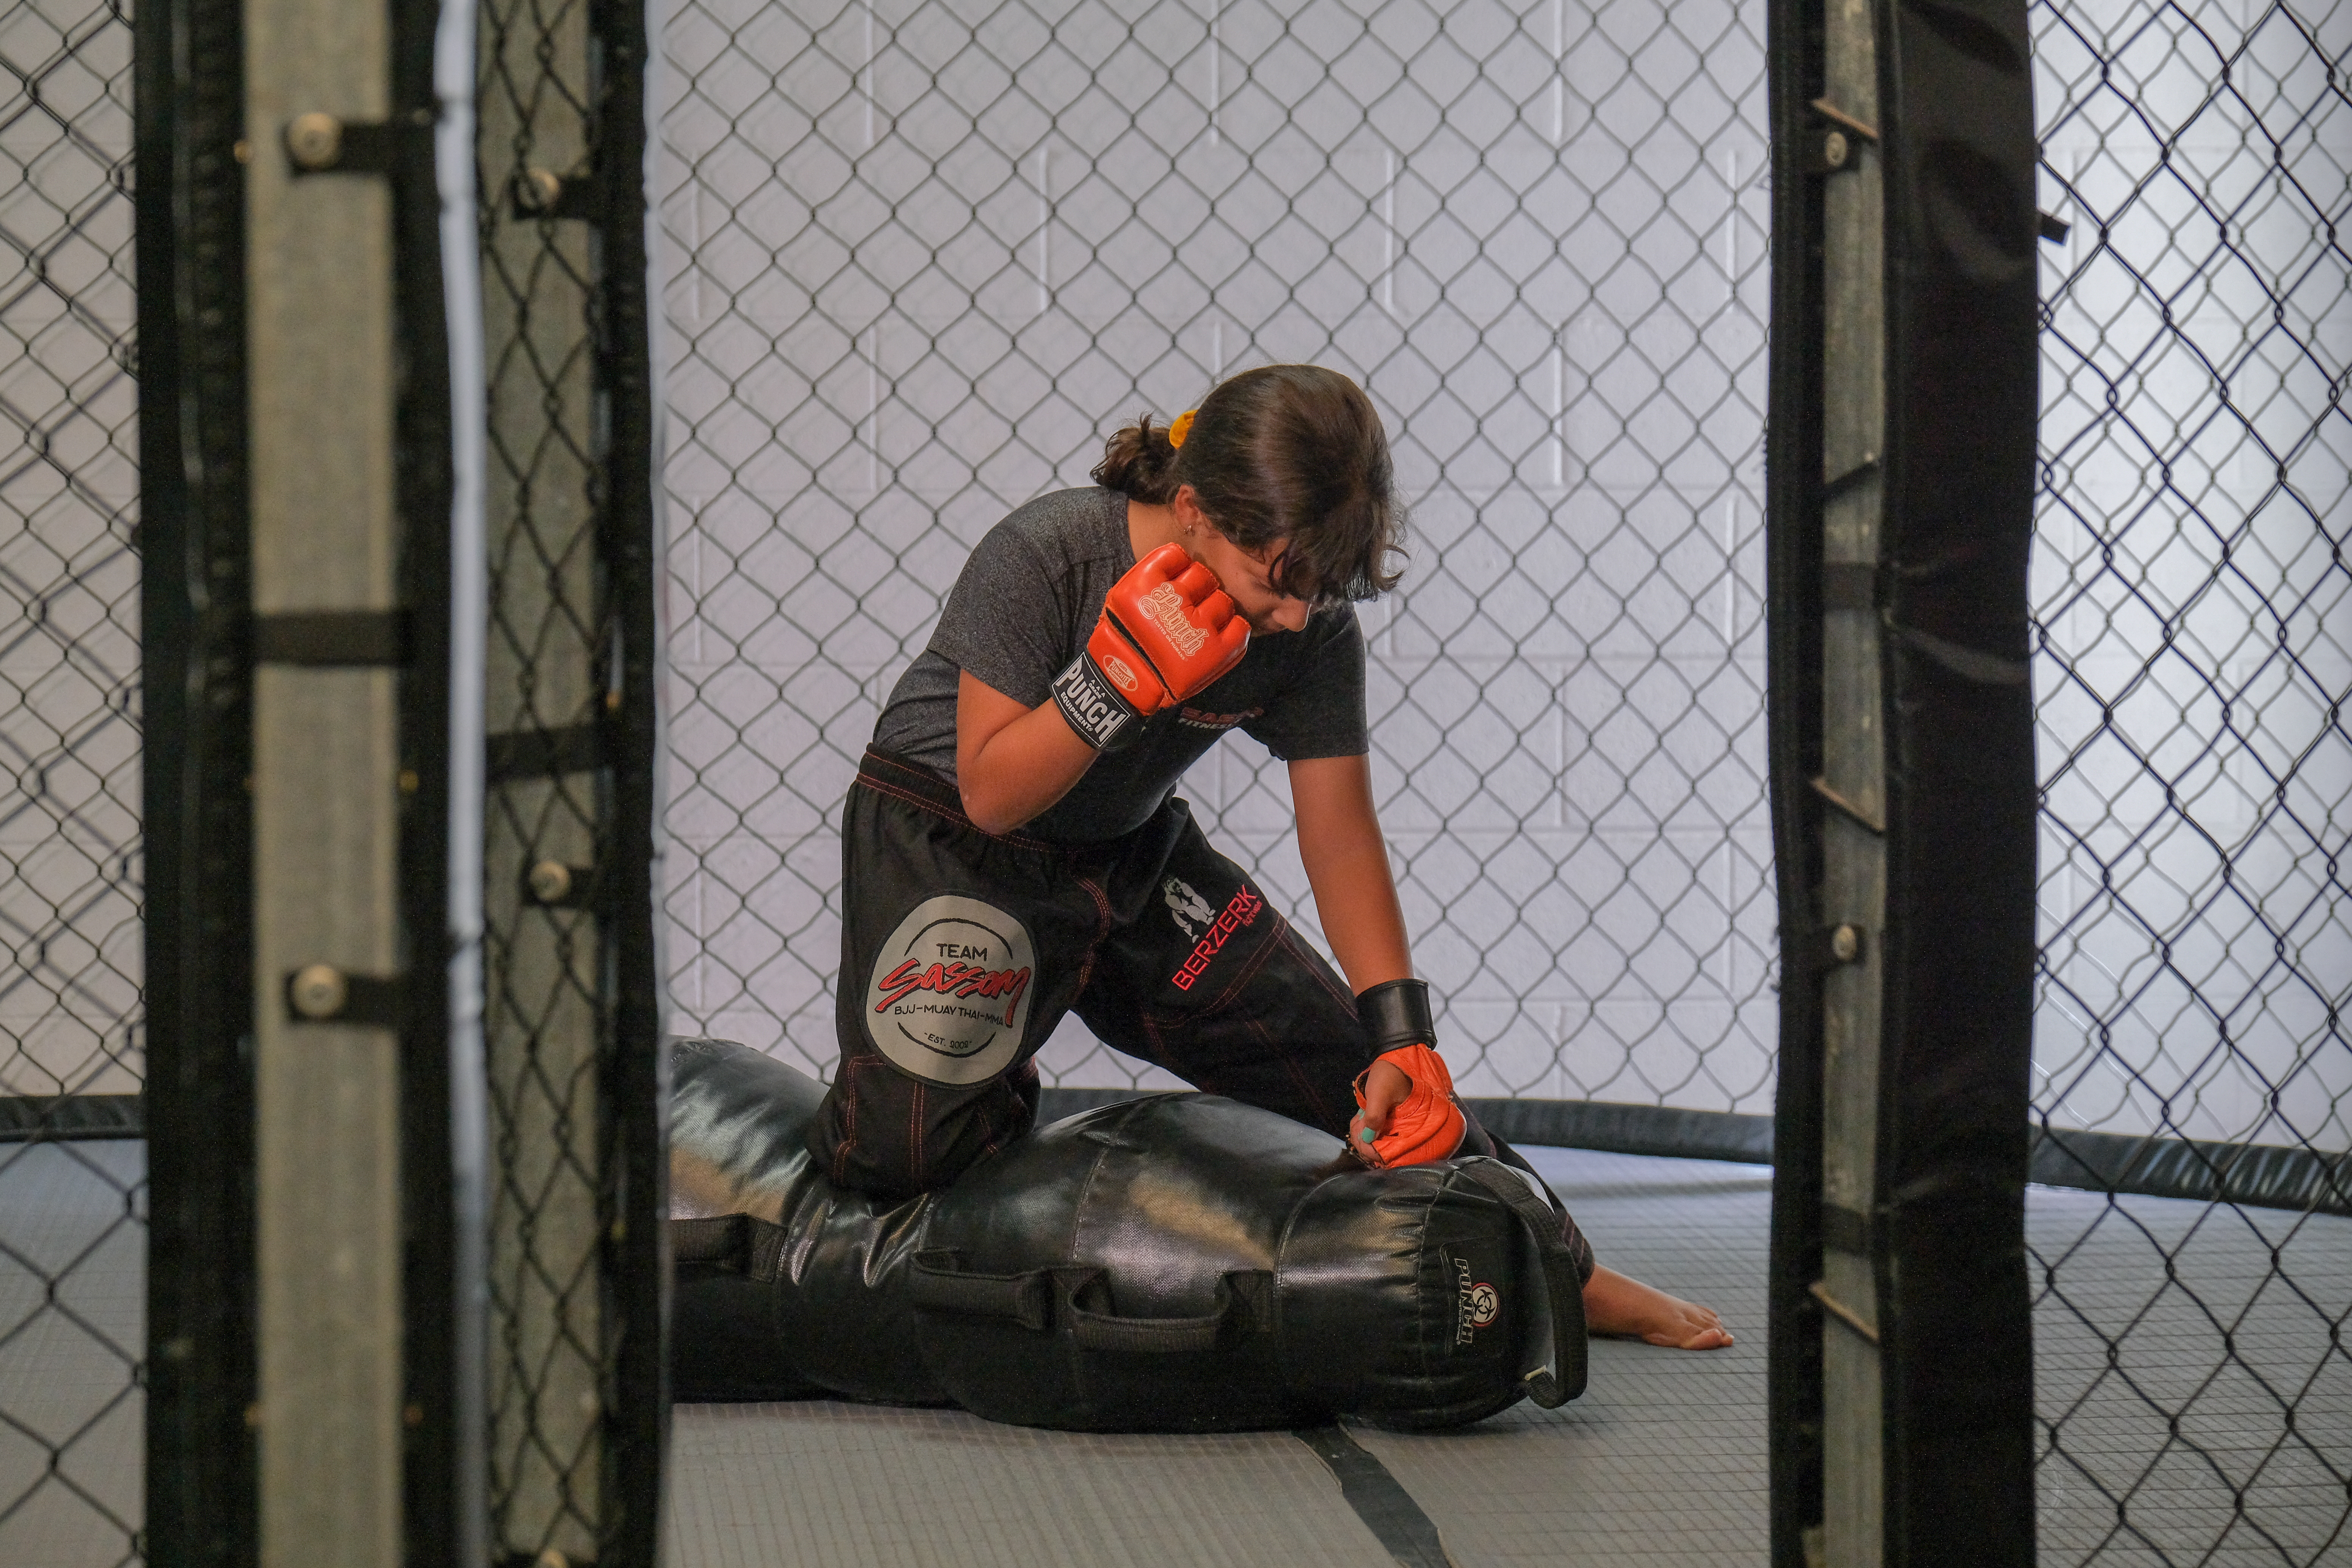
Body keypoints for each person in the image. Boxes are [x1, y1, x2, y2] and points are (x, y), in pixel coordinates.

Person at [806, 363, 1730, 1351]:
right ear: (1195, 511)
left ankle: (1560, 1261)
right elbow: (990, 793)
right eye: (1280, 583)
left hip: (1129, 856)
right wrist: (1114, 681)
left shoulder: (1310, 626)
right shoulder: (1052, 553)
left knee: (1369, 1083)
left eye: (1322, 588)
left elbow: (1338, 830)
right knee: (903, 1157)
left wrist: (1401, 1033)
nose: (1296, 617)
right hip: (949, 843)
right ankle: (972, 1104)